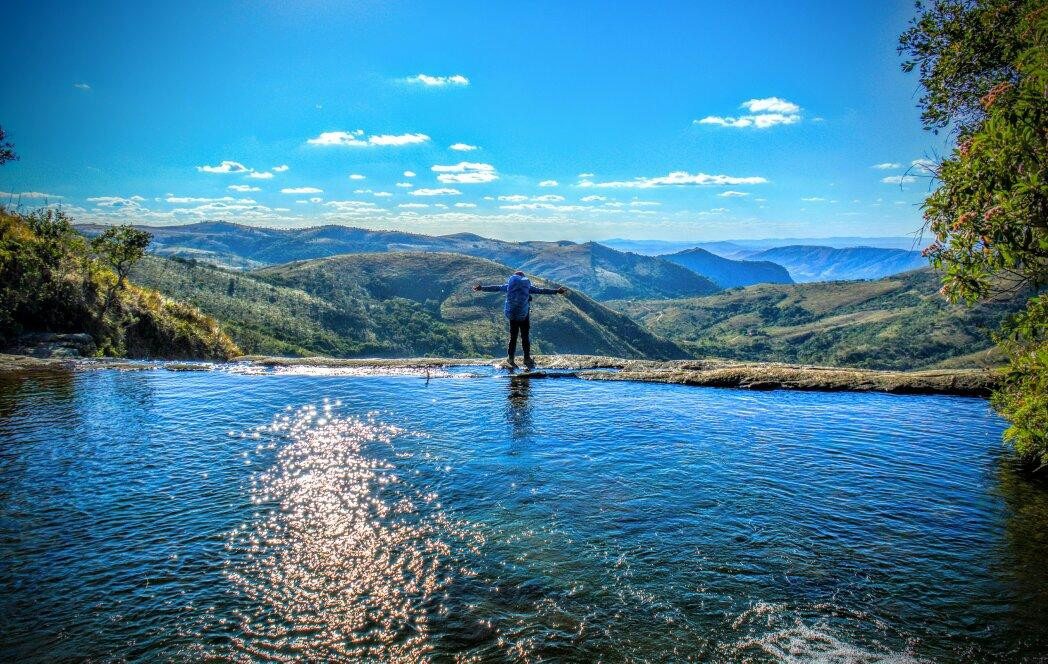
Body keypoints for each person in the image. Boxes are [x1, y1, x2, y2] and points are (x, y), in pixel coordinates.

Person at [473, 271, 567, 369]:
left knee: (513, 337)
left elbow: (495, 288)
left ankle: (510, 359)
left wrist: (481, 288)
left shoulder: (509, 286)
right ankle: (526, 358)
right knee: (525, 336)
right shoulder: (527, 287)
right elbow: (542, 290)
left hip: (512, 314)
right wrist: (556, 291)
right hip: (524, 315)